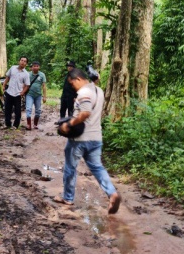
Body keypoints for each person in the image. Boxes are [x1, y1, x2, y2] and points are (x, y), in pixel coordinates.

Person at [55, 67, 121, 215]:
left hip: (80, 138)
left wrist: (68, 124)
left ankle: (68, 198)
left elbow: (85, 113)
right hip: (96, 137)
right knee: (97, 167)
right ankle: (112, 193)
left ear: (78, 79)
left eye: (72, 84)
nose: (72, 87)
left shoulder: (84, 93)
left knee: (70, 167)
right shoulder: (98, 91)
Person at [2, 56, 30, 129]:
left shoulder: (26, 74)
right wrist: (4, 85)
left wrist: (22, 92)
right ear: (19, 61)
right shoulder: (12, 68)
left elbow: (27, 85)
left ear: (26, 64)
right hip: (9, 92)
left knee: (18, 111)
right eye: (21, 60)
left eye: (24, 61)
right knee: (7, 109)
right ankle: (7, 124)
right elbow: (7, 77)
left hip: (18, 94)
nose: (22, 62)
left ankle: (15, 125)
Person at [24, 61, 47, 131]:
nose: (36, 67)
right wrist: (22, 92)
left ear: (39, 67)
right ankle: (28, 125)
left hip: (38, 95)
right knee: (28, 109)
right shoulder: (28, 74)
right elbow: (24, 84)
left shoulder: (42, 75)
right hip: (29, 94)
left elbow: (44, 86)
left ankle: (35, 124)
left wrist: (44, 96)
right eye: (34, 66)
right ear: (32, 67)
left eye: (37, 66)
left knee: (38, 110)